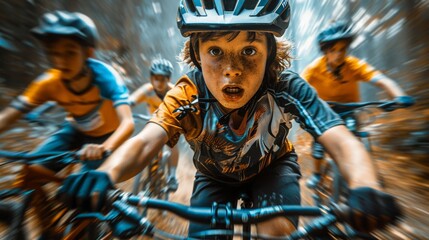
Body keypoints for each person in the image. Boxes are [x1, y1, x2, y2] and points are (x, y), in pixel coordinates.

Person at [60, 0, 402, 238]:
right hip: (214, 177)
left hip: (273, 169)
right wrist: (106, 175)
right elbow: (145, 140)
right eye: (215, 52)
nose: (232, 70)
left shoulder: (286, 86)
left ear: (271, 54)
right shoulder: (187, 92)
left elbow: (340, 138)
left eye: (249, 51)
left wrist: (365, 186)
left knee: (277, 232)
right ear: (195, 53)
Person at [0, 10, 134, 172]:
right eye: (54, 54)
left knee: (83, 188)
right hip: (74, 130)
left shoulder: (106, 78)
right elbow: (7, 117)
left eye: (70, 53)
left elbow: (127, 123)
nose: (60, 61)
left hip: (106, 136)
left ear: (88, 53)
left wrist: (104, 147)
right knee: (31, 170)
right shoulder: (49, 81)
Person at [301, 21, 414, 188]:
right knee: (319, 142)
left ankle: (367, 173)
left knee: (356, 139)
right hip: (324, 111)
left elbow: (381, 80)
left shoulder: (353, 65)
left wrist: (399, 95)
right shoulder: (313, 69)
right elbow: (299, 85)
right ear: (325, 51)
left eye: (342, 49)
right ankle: (317, 174)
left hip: (349, 109)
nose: (339, 54)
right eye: (333, 50)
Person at [129, 58, 179, 191]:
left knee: (173, 142)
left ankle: (173, 176)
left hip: (169, 124)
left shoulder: (175, 92)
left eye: (163, 79)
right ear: (151, 78)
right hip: (151, 122)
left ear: (168, 79)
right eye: (156, 78)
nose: (159, 82)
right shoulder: (147, 90)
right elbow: (130, 101)